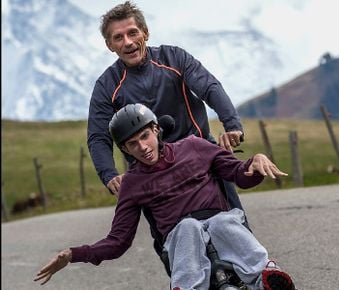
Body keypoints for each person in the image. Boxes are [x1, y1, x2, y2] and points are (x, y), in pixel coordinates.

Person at [35, 104, 295, 290]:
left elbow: (239, 174)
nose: (143, 147)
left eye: (145, 136)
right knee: (188, 227)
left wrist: (254, 162)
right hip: (180, 238)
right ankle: (186, 286)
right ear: (124, 149)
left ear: (156, 130)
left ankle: (265, 275)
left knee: (223, 222)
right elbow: (118, 242)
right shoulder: (132, 184)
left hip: (220, 223)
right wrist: (72, 254)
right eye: (132, 144)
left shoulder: (194, 146)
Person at [87, 1, 244, 197]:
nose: (127, 42)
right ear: (109, 45)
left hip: (200, 156)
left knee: (236, 223)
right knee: (167, 228)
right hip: (150, 173)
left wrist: (232, 125)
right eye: (118, 37)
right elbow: (98, 136)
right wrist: (109, 174)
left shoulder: (174, 58)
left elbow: (209, 87)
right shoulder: (106, 85)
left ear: (145, 32)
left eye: (133, 33)